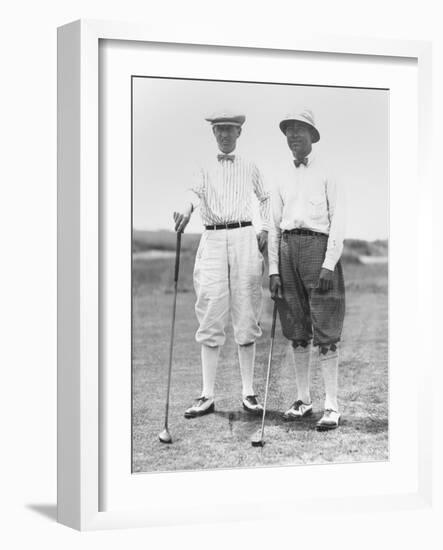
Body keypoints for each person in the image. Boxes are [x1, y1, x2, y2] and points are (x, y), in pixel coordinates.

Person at [173, 110, 270, 418]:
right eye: (219, 129)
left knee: (246, 313)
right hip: (212, 239)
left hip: (244, 237)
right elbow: (192, 192)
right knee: (211, 310)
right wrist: (185, 210)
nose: (225, 134)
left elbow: (266, 197)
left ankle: (248, 393)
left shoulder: (250, 165)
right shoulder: (202, 166)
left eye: (230, 129)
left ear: (239, 133)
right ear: (213, 133)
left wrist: (265, 227)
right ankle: (207, 395)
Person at [268, 109, 346, 431]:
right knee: (297, 329)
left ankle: (332, 406)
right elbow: (274, 226)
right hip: (287, 250)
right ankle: (303, 399)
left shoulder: (328, 172)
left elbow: (339, 220)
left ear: (312, 136)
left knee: (325, 327)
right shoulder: (280, 176)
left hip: (318, 248)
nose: (294, 136)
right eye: (289, 131)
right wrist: (273, 269)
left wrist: (329, 262)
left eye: (300, 130)